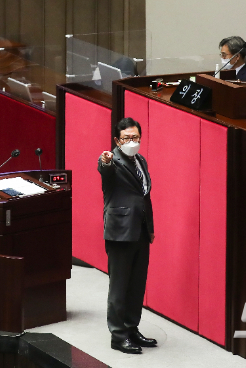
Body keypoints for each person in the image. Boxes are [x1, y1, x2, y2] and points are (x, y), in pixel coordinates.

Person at [98, 117, 156, 355]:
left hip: (140, 230)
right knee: (119, 287)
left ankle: (132, 328)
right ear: (117, 140)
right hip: (120, 232)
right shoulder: (112, 160)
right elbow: (105, 169)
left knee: (137, 284)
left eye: (135, 137)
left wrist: (150, 228)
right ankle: (118, 336)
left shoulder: (140, 160)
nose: (132, 142)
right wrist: (106, 161)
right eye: (127, 138)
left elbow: (145, 196)